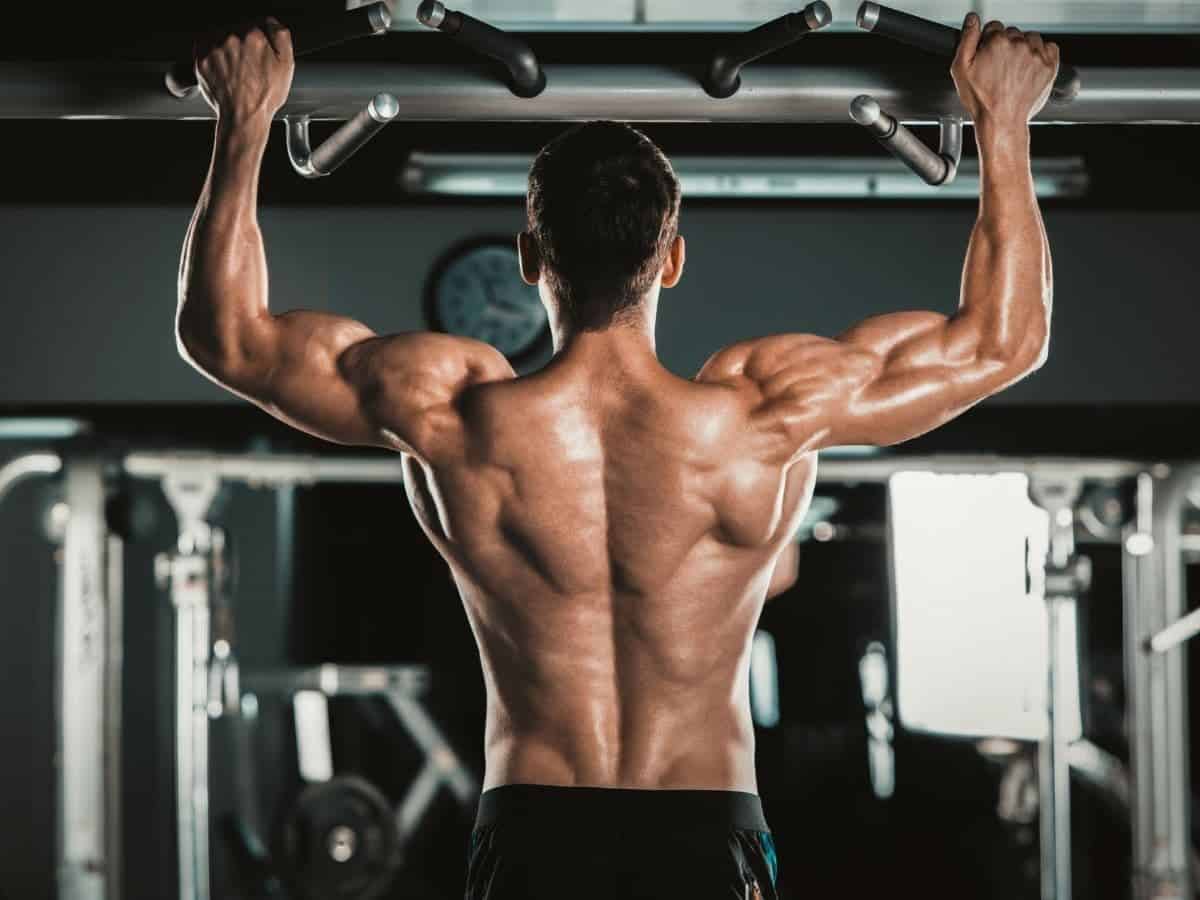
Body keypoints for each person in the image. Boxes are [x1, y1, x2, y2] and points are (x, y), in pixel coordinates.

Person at [176, 13, 1056, 898]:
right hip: (706, 826)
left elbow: (228, 339)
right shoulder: (764, 413)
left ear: (531, 258)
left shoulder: (451, 410)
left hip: (532, 827)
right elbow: (1002, 343)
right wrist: (1005, 125)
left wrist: (244, 120)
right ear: (670, 260)